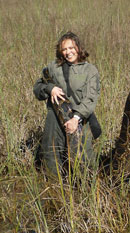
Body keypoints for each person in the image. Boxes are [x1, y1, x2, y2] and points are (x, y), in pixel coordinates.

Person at [33, 31, 100, 176]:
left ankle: (86, 191)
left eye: (71, 48)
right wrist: (50, 89)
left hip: (79, 118)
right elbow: (37, 89)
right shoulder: (53, 68)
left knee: (84, 159)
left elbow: (91, 98)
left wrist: (76, 119)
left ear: (78, 47)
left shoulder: (90, 70)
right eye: (64, 49)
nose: (68, 52)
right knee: (51, 154)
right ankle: (54, 189)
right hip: (54, 117)